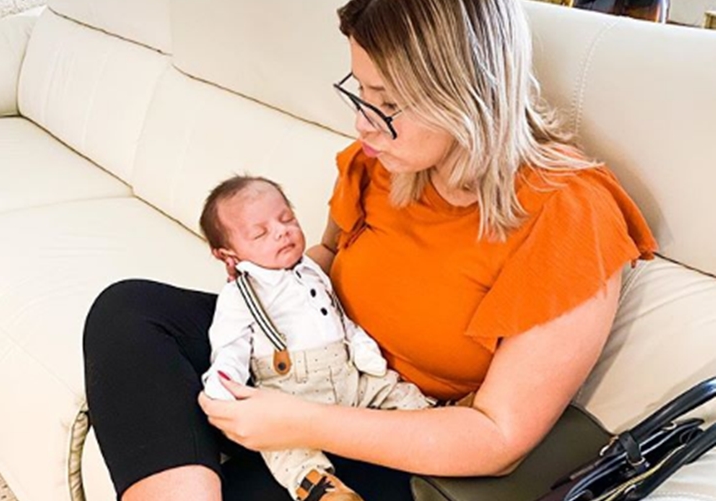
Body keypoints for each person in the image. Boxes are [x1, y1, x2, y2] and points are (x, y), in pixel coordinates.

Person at [82, 0, 658, 500]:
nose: (363, 123)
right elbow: (324, 258)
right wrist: (260, 304)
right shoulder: (385, 162)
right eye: (360, 89)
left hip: (400, 422)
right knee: (129, 310)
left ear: (464, 94)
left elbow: (498, 439)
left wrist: (300, 422)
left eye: (386, 101)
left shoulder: (569, 214)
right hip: (310, 353)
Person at [199, 175, 431, 501]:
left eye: (287, 219)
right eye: (260, 233)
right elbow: (229, 346)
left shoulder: (311, 268)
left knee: (395, 390)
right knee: (283, 446)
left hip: (349, 374)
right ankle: (323, 489)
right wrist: (225, 386)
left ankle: (437, 423)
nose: (282, 232)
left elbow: (336, 314)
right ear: (228, 256)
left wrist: (361, 345)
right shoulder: (240, 296)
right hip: (292, 392)